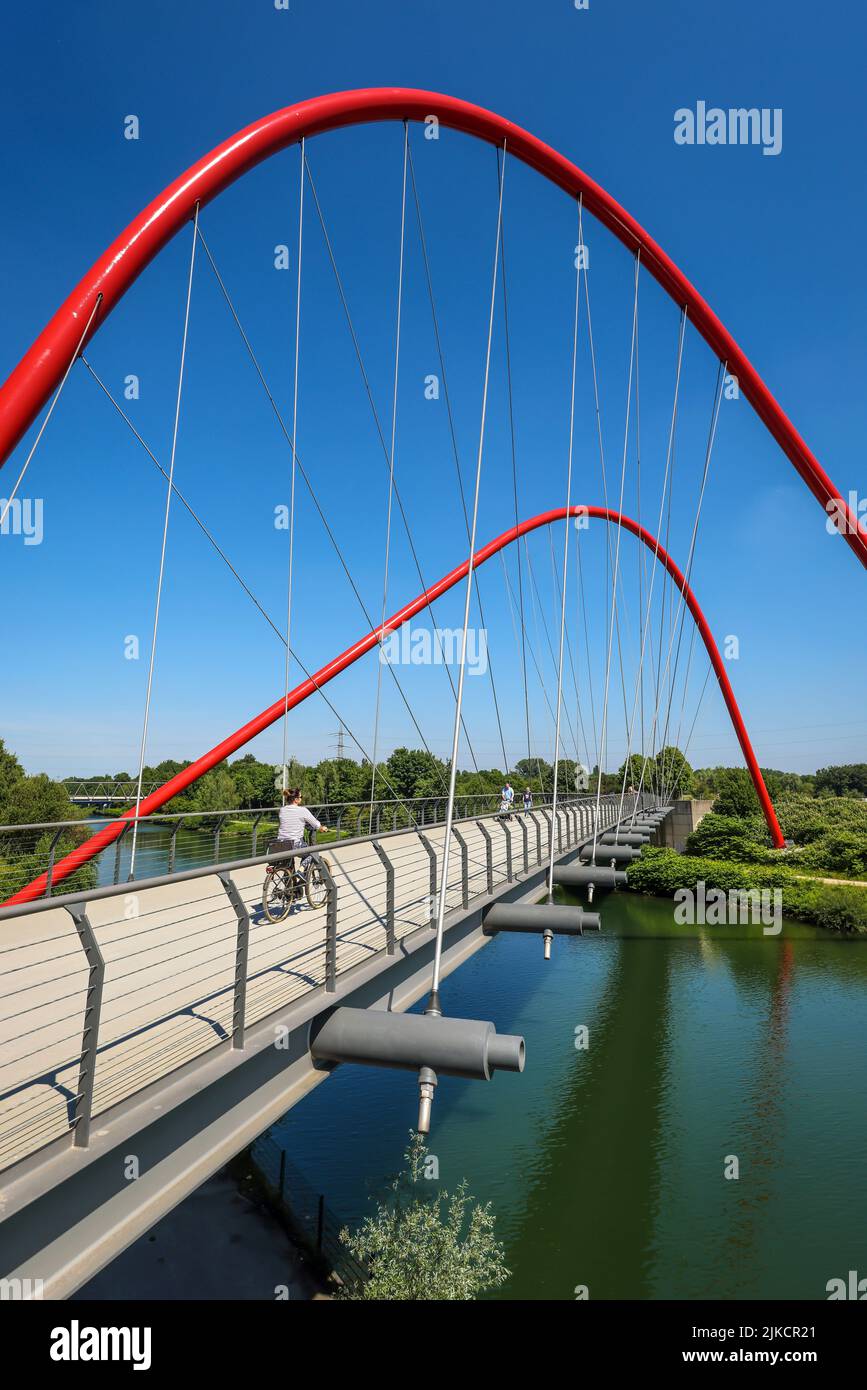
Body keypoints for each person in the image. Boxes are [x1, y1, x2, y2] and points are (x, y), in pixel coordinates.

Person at [270, 788, 328, 880]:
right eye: (301, 797)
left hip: (280, 844)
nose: (301, 798)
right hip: (295, 844)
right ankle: (301, 870)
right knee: (312, 852)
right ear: (296, 799)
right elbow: (315, 824)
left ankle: (289, 886)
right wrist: (321, 828)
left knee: (287, 864)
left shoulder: (282, 810)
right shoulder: (302, 810)